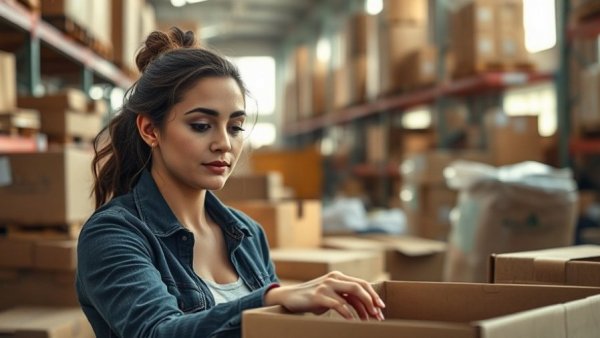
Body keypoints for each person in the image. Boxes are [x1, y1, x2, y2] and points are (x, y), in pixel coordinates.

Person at [76, 27, 385, 338]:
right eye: (201, 125)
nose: (224, 143)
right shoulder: (114, 234)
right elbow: (156, 332)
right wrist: (268, 298)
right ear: (150, 130)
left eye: (235, 127)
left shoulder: (248, 234)